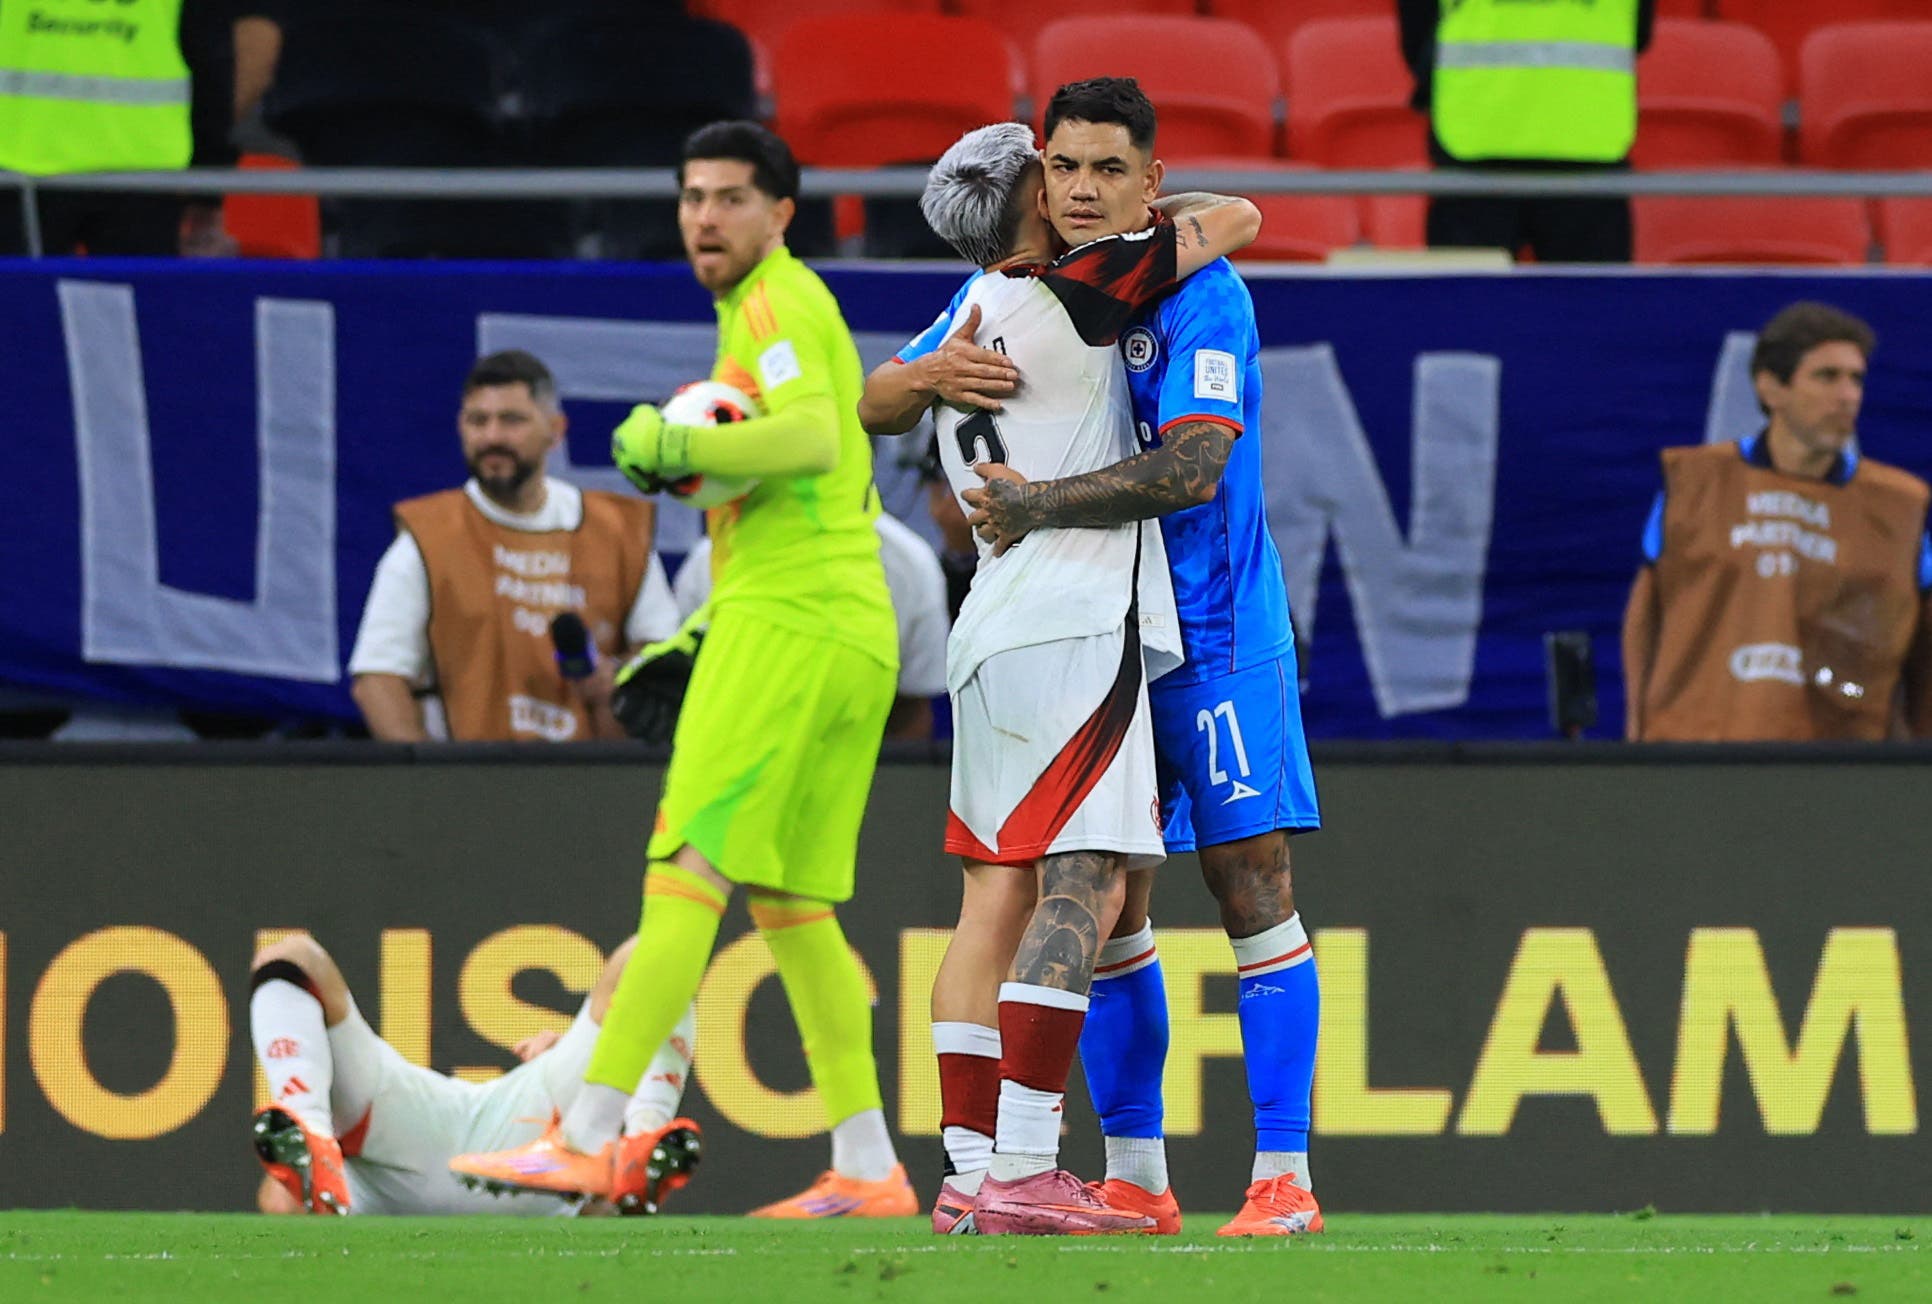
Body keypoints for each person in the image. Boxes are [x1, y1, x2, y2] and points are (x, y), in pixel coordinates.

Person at [451, 121, 914, 1219]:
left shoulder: (775, 304)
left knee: (683, 875)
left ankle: (591, 1130)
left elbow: (807, 437)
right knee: (793, 905)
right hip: (848, 629)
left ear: (780, 213)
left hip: (790, 623)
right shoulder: (766, 312)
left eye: (731, 198)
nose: (706, 216)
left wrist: (671, 444)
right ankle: (868, 1163)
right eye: (692, 196)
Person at [861, 122, 1261, 1235]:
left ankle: (968, 1168)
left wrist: (913, 376)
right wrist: (1139, 213)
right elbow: (1235, 221)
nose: (1078, 186)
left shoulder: (965, 319)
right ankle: (1031, 1166)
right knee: (1084, 878)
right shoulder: (1078, 290)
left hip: (985, 624)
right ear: (1034, 195)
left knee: (991, 897)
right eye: (1056, 171)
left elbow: (873, 401)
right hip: (1075, 621)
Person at [960, 79, 1324, 1238]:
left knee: (1250, 879)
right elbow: (893, 393)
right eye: (1062, 165)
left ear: (1151, 183)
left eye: (1107, 168)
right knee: (1110, 898)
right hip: (1101, 633)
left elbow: (1193, 471)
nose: (1079, 188)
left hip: (1213, 625)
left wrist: (1039, 504)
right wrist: (921, 378)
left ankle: (1284, 1176)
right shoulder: (1038, 297)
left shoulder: (1202, 292)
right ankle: (1136, 1173)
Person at [1624, 302, 1932, 741]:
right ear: (1771, 388)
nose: (1848, 396)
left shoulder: (1901, 505)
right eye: (1827, 377)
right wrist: (1637, 725)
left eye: (1856, 379)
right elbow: (1646, 610)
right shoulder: (1693, 481)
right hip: (1697, 747)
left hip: (1845, 757)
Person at [348, 350, 679, 743]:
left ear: (556, 431)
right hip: (467, 784)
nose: (492, 437)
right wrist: (426, 787)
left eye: (511, 420)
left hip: (594, 783)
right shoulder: (427, 539)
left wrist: (621, 678)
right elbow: (377, 678)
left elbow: (662, 658)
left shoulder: (617, 532)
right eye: (478, 421)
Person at [249, 932, 699, 1217]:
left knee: (654, 955)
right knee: (292, 956)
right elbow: (277, 1201)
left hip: (533, 1141)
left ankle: (645, 1142)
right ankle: (312, 1135)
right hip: (389, 1160)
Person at [0, 1, 285, 255]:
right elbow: (212, 72)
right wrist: (206, 189)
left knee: (17, 308)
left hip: (22, 166)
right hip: (142, 174)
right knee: (133, 308)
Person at [1397, 0, 1654, 263]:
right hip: (1585, 141)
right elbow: (1639, 34)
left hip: (1476, 138)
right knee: (1587, 299)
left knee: (1472, 299)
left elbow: (1418, 35)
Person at [671, 510, 950, 740]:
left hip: (855, 771)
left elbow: (911, 712)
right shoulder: (706, 563)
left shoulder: (911, 563)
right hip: (734, 756)